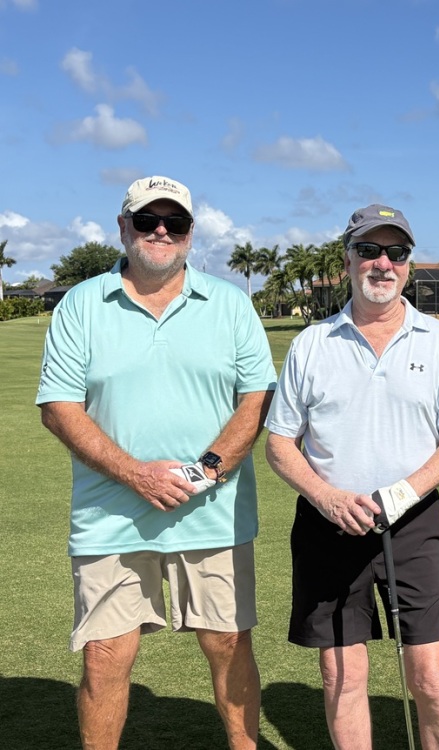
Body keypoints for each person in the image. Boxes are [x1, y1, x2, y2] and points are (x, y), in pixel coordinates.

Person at [36, 175, 277, 750]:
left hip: (213, 513)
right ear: (124, 228)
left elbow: (257, 399)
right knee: (105, 654)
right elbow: (59, 407)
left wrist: (205, 470)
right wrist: (135, 474)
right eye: (147, 220)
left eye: (176, 222)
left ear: (191, 232)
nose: (161, 231)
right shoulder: (81, 304)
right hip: (111, 515)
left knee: (229, 645)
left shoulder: (230, 304)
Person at [264, 204, 439, 750]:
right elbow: (280, 444)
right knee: (342, 676)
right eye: (369, 250)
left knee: (430, 676)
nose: (383, 263)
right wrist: (327, 497)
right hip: (329, 523)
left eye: (396, 252)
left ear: (408, 264)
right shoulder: (312, 343)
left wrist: (401, 494)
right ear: (347, 259)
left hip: (415, 522)